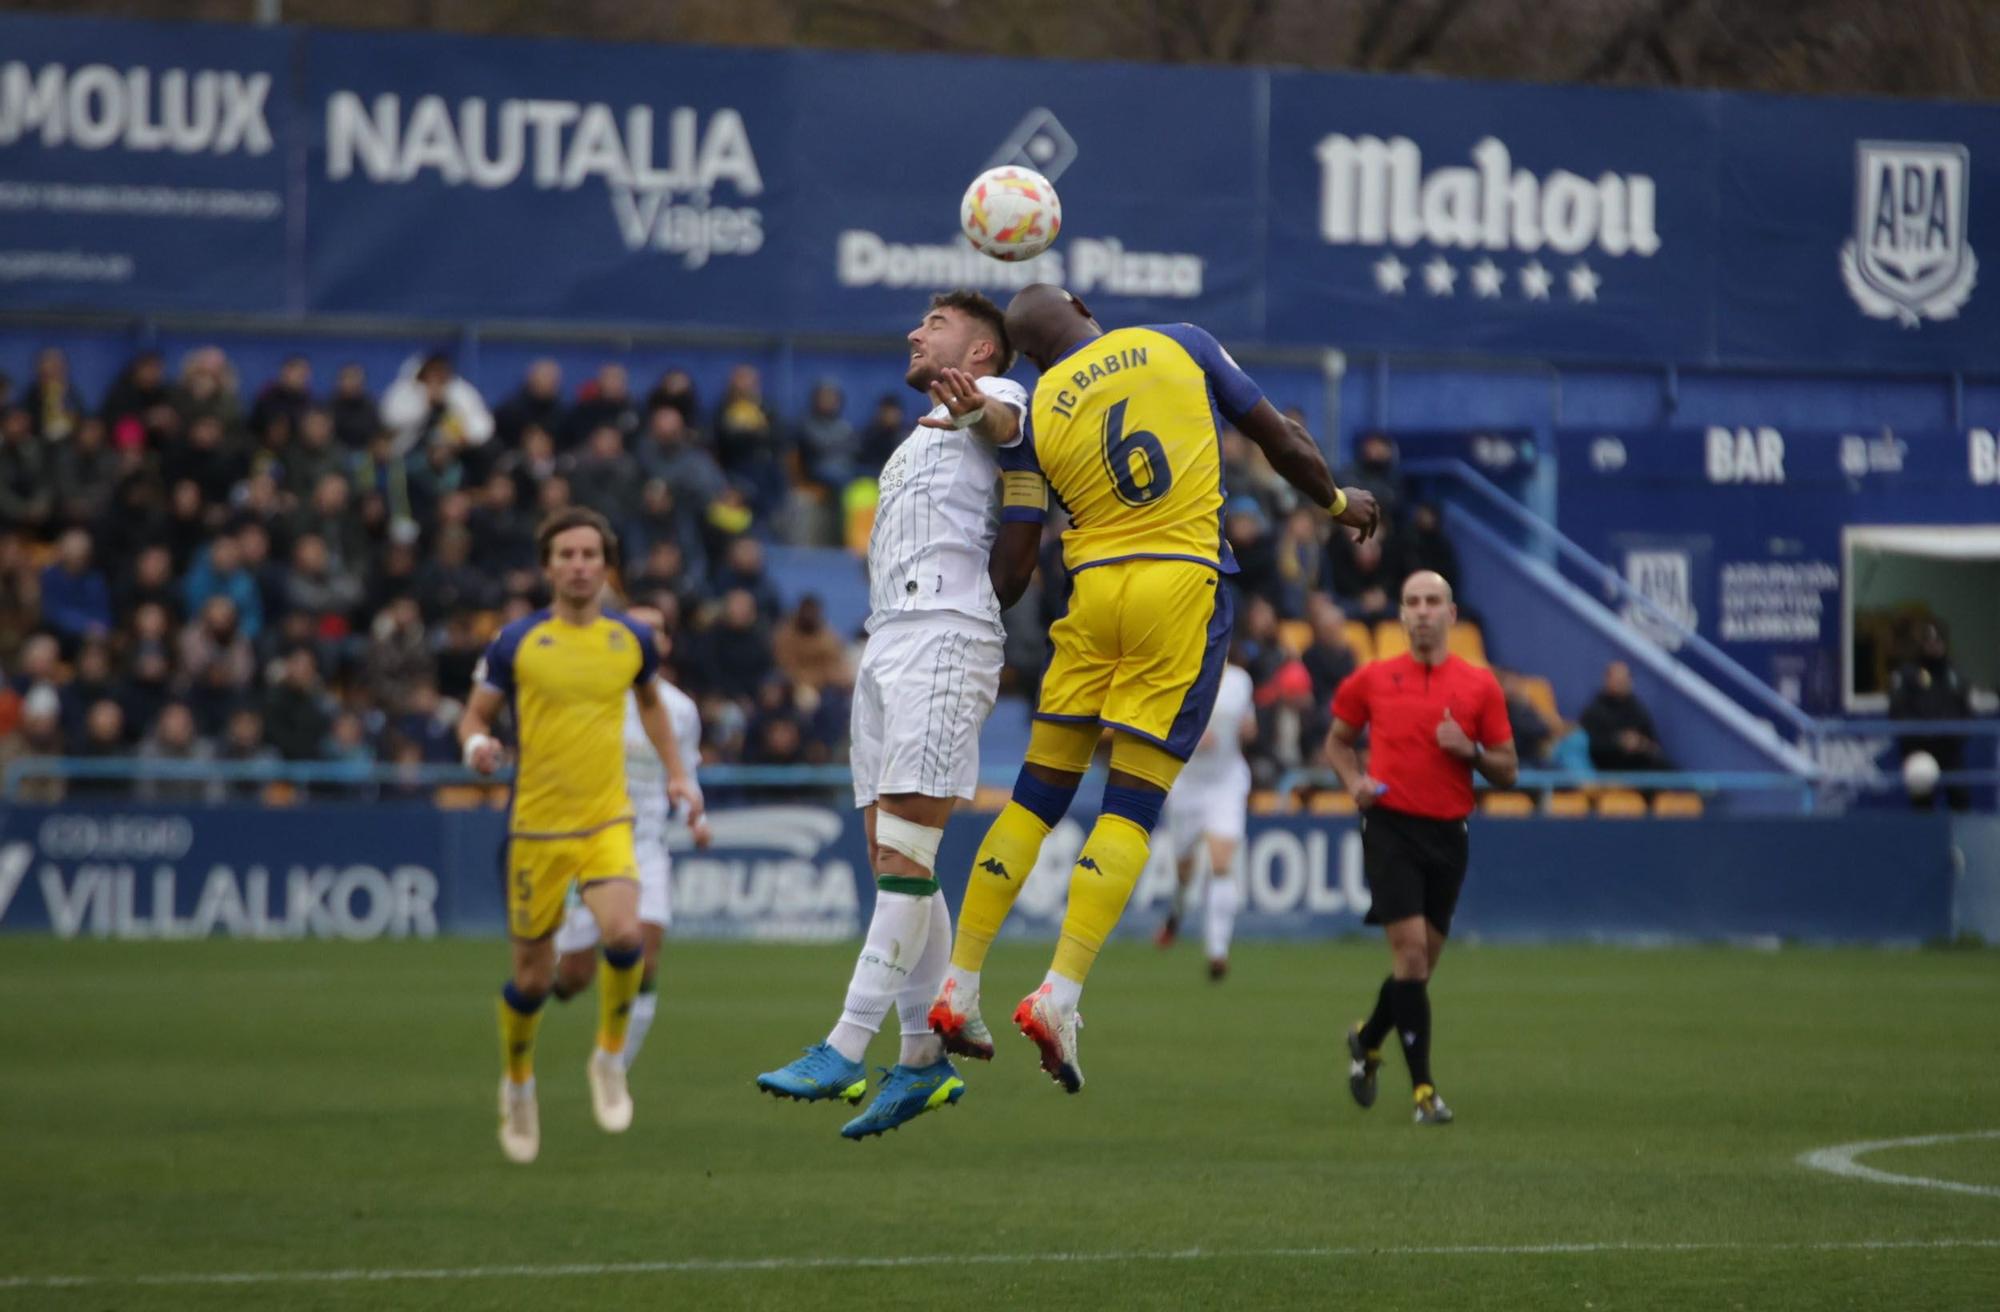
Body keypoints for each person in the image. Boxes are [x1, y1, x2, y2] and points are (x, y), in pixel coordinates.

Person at [929, 283, 1379, 1095]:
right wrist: (1341, 503)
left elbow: (1018, 563)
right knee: (1131, 806)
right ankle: (1058, 993)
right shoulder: (1184, 342)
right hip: (1179, 587)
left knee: (1033, 799)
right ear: (1078, 303)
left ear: (1026, 353)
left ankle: (959, 986)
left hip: (1093, 595)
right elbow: (1279, 443)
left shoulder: (1032, 414)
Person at [755, 290, 1039, 1139]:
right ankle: (921, 1057)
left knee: (910, 850)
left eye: (937, 325)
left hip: (948, 637)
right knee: (896, 861)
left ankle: (845, 1045)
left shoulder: (1001, 397)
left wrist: (982, 408)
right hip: (888, 643)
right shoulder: (913, 436)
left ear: (981, 351)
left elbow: (1009, 428)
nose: (916, 332)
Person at [459, 507, 703, 1164]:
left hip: (607, 821)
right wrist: (477, 746)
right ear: (548, 567)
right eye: (565, 554)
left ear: (605, 565)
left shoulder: (630, 642)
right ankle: (517, 1084)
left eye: (590, 554)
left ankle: (608, 1059)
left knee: (626, 936)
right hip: (536, 829)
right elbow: (475, 716)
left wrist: (679, 777)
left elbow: (651, 704)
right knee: (534, 982)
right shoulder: (515, 641)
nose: (578, 564)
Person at [1324, 570, 1516, 1127]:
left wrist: (1472, 751)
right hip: (1389, 827)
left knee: (1419, 970)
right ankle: (1425, 1092)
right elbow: (1336, 742)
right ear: (1401, 615)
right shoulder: (1373, 679)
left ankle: (1366, 1038)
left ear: (1452, 615)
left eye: (1434, 601)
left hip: (1448, 834)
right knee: (1409, 955)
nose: (1424, 611)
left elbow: (1508, 769)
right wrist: (1353, 781)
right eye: (1413, 602)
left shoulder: (1480, 686)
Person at [548, 603, 710, 1076]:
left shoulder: (680, 709)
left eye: (655, 630)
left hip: (646, 844)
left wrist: (695, 816)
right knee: (576, 974)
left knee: (645, 950)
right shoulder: (594, 696)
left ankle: (614, 1061)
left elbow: (686, 772)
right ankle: (557, 979)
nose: (646, 636)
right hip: (590, 845)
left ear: (665, 643)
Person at [1153, 657, 1256, 980]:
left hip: (1226, 783)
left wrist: (1246, 730)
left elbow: (1249, 727)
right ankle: (1176, 914)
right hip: (1187, 786)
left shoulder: (1240, 681)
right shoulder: (1180, 675)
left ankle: (1217, 951)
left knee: (1222, 863)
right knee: (1185, 870)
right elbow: (1159, 726)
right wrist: (1192, 735)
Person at [1889, 619, 1973, 811]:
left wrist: (1953, 735)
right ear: (1922, 643)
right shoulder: (1908, 674)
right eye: (1929, 640)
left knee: (1961, 795)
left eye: (1938, 640)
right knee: (1922, 795)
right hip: (1920, 749)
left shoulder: (1954, 674)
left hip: (1949, 749)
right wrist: (1920, 734)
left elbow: (1966, 712)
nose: (1933, 645)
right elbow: (1897, 712)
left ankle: (1960, 841)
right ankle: (1923, 839)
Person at [1578, 660, 1672, 773]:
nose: (1620, 683)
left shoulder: (1638, 710)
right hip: (1608, 770)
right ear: (1607, 680)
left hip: (1640, 767)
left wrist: (1640, 743)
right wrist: (1619, 742)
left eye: (1624, 680)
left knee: (1667, 770)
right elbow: (1586, 745)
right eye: (1617, 679)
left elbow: (1654, 746)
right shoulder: (1594, 711)